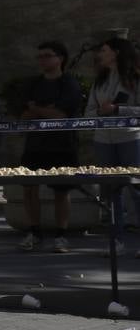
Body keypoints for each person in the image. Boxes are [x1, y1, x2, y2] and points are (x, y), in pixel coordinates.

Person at [19, 40, 83, 253]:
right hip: (34, 145)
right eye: (39, 56)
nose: (42, 60)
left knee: (61, 191)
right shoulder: (32, 84)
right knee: (29, 189)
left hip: (62, 145)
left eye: (47, 56)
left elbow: (61, 115)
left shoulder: (69, 84)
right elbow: (24, 114)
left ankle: (61, 236)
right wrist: (44, 109)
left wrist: (37, 109)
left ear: (60, 58)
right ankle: (34, 232)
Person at [84, 36, 140, 255]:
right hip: (103, 141)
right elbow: (88, 112)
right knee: (110, 191)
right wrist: (100, 111)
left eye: (104, 50)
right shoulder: (100, 80)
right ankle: (116, 241)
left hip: (131, 138)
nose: (101, 54)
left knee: (137, 189)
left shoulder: (136, 78)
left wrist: (118, 109)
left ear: (116, 52)